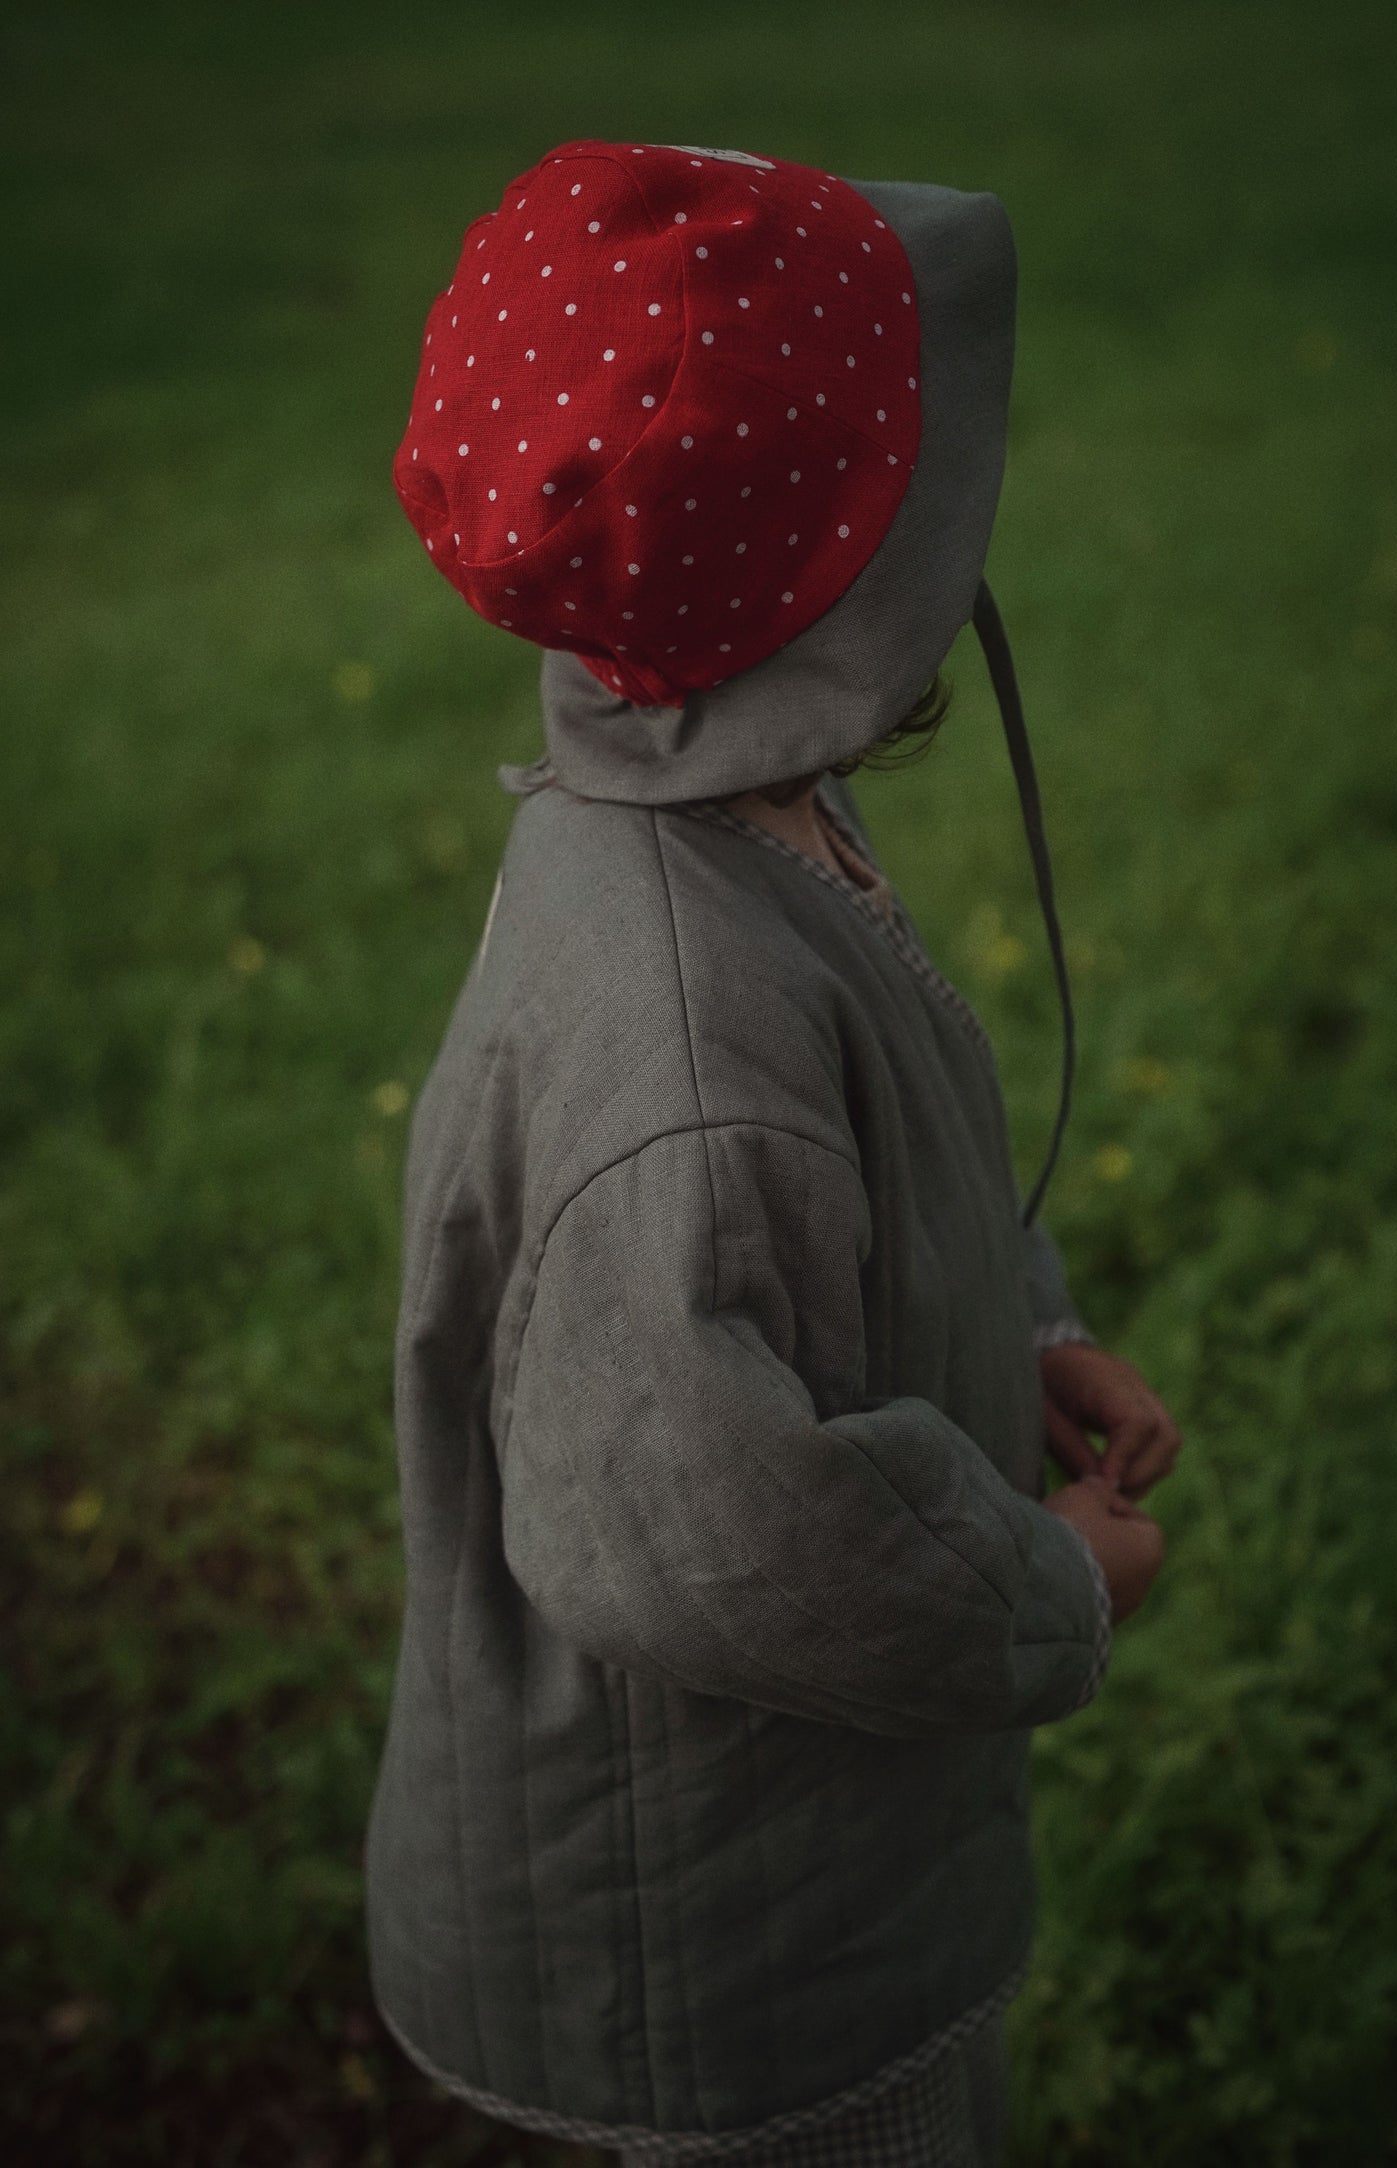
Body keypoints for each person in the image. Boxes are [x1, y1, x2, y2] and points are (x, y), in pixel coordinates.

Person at [365, 136, 1180, 2168]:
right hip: (734, 1947)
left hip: (776, 1873)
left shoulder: (699, 770)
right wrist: (1045, 1589)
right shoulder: (683, 1027)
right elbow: (721, 1525)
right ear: (840, 568)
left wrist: (1030, 1320)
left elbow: (875, 1158)